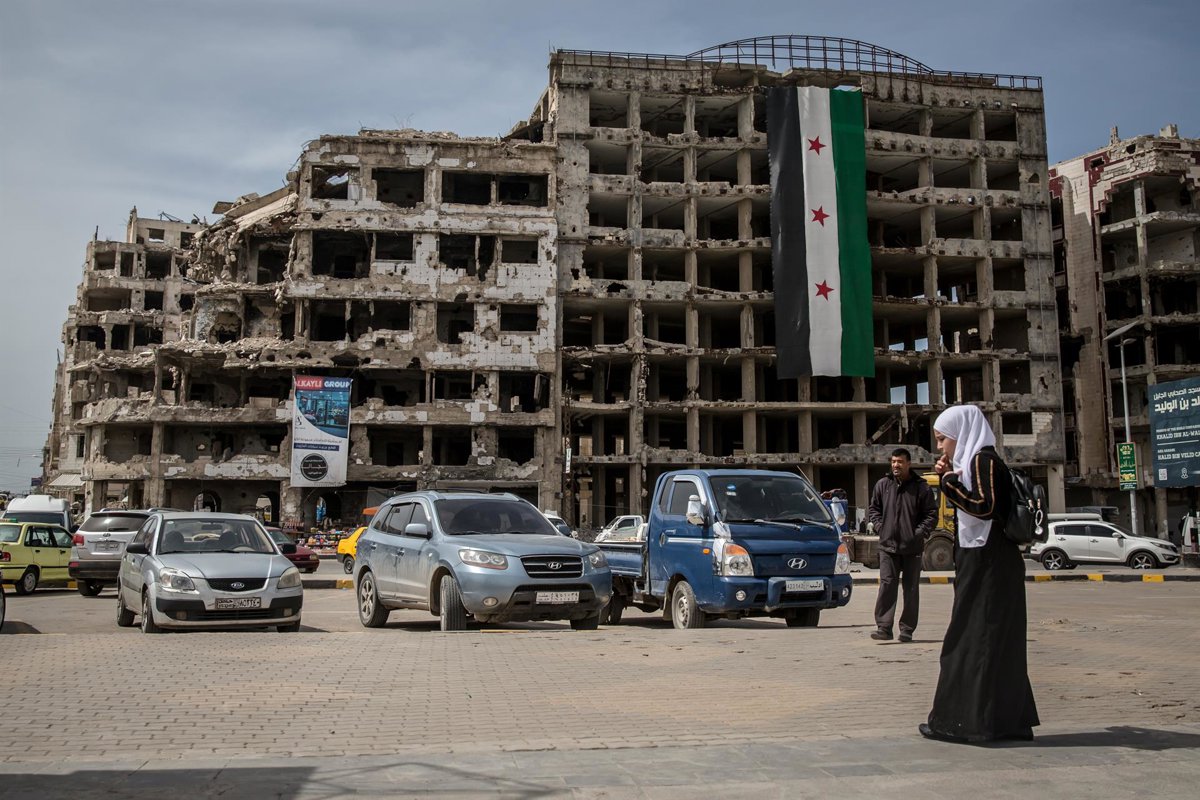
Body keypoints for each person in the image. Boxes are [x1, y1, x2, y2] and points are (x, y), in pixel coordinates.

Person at [920, 405, 1040, 743]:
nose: (940, 446)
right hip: (987, 560)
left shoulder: (982, 461)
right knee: (992, 642)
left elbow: (984, 507)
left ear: (960, 434)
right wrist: (951, 476)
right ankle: (1003, 723)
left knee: (972, 640)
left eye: (943, 439)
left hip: (988, 562)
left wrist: (947, 483)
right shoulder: (977, 462)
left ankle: (968, 725)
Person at [868, 448, 937, 643]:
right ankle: (884, 628)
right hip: (887, 547)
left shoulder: (921, 487)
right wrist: (881, 528)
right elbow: (874, 510)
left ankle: (907, 630)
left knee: (911, 589)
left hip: (912, 548)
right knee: (887, 585)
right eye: (893, 461)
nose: (895, 465)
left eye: (899, 461)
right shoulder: (883, 485)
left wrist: (917, 534)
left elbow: (931, 515)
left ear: (908, 464)